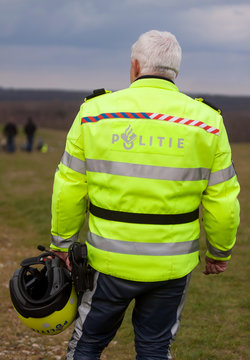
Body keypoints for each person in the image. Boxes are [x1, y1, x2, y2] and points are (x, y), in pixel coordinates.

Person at [49, 30, 240, 360]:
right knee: (154, 347)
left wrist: (62, 244)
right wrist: (219, 251)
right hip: (171, 265)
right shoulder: (208, 123)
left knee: (88, 344)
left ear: (135, 66)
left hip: (107, 260)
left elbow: (69, 186)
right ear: (174, 70)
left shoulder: (93, 113)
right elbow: (222, 199)